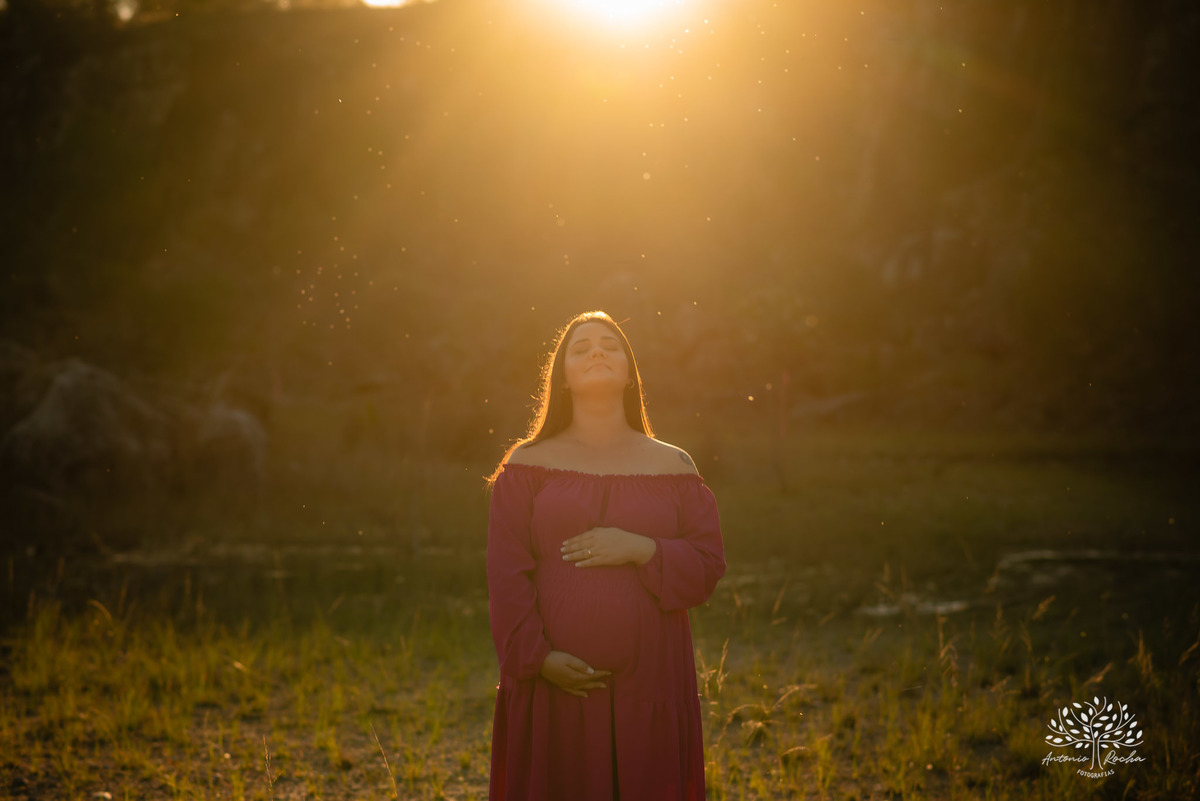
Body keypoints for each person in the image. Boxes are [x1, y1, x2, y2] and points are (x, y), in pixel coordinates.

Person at [486, 310, 726, 801]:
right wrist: (538, 659)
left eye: (610, 345)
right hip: (553, 684)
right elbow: (506, 573)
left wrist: (640, 548)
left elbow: (707, 566)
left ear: (630, 372)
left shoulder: (674, 465)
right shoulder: (526, 463)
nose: (597, 351)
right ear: (563, 379)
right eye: (581, 348)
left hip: (652, 682)